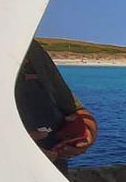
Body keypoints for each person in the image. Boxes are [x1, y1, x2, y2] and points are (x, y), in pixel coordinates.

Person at [14, 40, 98, 173]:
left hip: (51, 179)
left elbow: (74, 109)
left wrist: (86, 132)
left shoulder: (32, 49)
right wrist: (14, 145)